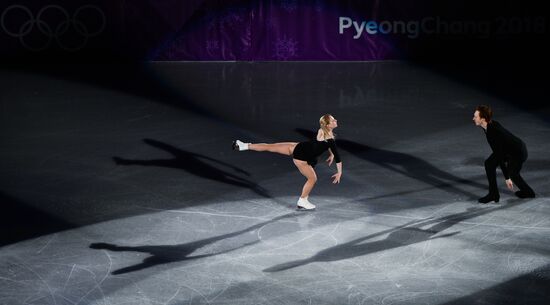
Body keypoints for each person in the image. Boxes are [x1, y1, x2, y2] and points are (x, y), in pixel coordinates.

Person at [233, 114, 343, 210]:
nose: (336, 120)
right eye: (333, 120)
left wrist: (331, 153)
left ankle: (244, 146)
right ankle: (303, 200)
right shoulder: (329, 140)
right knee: (312, 179)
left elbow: (328, 144)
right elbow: (338, 158)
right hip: (301, 157)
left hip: (297, 146)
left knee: (270, 146)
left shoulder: (322, 131)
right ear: (328, 125)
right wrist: (339, 173)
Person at [472, 105, 535, 203]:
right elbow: (498, 152)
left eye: (475, 117)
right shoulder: (487, 126)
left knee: (512, 173)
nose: (473, 118)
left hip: (518, 152)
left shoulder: (493, 131)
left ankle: (528, 192)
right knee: (489, 164)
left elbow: (499, 155)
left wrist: (507, 178)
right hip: (508, 150)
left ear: (483, 119)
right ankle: (493, 194)